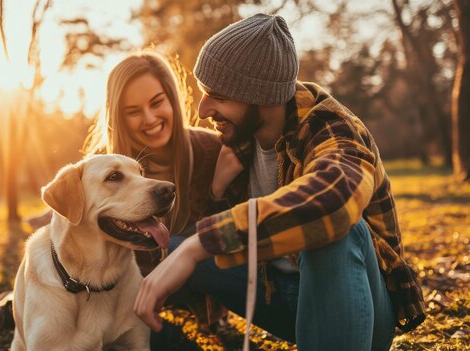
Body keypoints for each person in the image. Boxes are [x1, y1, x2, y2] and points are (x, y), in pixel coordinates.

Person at [134, 13, 426, 351]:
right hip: (279, 296)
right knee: (167, 248)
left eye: (217, 95)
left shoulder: (331, 128)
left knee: (340, 229)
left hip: (360, 310)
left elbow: (332, 202)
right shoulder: (237, 141)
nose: (202, 110)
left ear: (260, 95)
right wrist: (215, 194)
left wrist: (200, 245)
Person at [0, 51, 227, 346]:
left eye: (157, 102)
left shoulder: (213, 150)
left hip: (172, 284)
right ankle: (10, 305)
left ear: (172, 100)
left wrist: (222, 183)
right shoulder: (105, 158)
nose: (150, 118)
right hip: (106, 289)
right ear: (117, 114)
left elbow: (236, 224)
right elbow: (72, 213)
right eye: (133, 110)